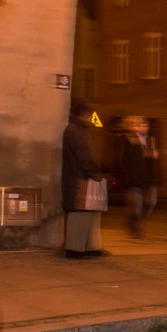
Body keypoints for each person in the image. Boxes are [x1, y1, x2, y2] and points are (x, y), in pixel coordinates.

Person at [61, 100, 106, 259]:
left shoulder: (80, 129)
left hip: (84, 177)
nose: (91, 117)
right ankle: (75, 249)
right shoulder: (75, 130)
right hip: (80, 179)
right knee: (81, 213)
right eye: (89, 114)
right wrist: (94, 172)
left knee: (91, 212)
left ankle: (91, 247)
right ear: (83, 114)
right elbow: (83, 156)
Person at [117, 115, 160, 238]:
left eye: (146, 125)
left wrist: (154, 156)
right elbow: (124, 162)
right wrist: (129, 176)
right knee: (137, 205)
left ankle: (133, 222)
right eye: (140, 125)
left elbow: (152, 158)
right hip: (134, 180)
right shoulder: (128, 141)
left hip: (149, 178)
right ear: (134, 127)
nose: (144, 128)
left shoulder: (150, 139)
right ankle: (135, 227)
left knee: (151, 203)